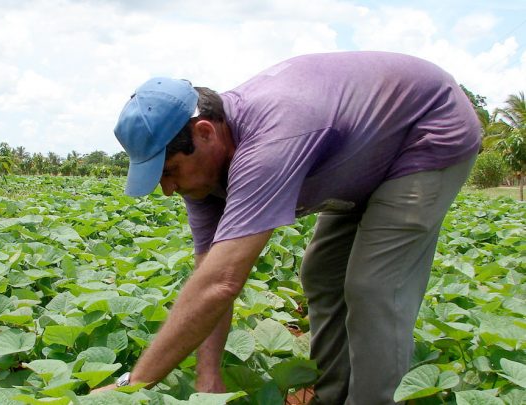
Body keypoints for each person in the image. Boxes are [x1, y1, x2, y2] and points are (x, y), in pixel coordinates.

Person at [96, 51, 481, 404]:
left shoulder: (270, 141)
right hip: (362, 152)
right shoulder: (202, 172)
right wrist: (208, 375)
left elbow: (222, 283)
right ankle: (329, 396)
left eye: (169, 172)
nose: (167, 189)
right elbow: (209, 275)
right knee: (322, 274)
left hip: (425, 130)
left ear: (205, 133)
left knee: (374, 285)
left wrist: (134, 384)